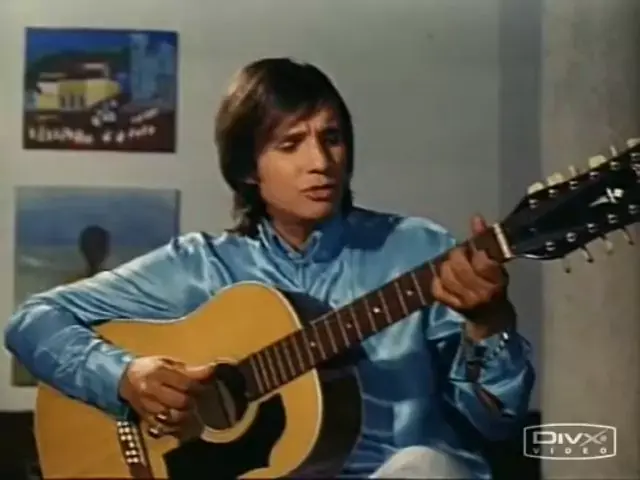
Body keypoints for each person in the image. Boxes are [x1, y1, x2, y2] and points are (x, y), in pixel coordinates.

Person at [4, 58, 535, 479]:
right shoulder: (201, 268)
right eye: (291, 144)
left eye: (331, 138)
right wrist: (125, 376)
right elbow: (32, 320)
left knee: (424, 467)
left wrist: (489, 323)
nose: (320, 163)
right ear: (247, 169)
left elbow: (497, 423)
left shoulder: (418, 249)